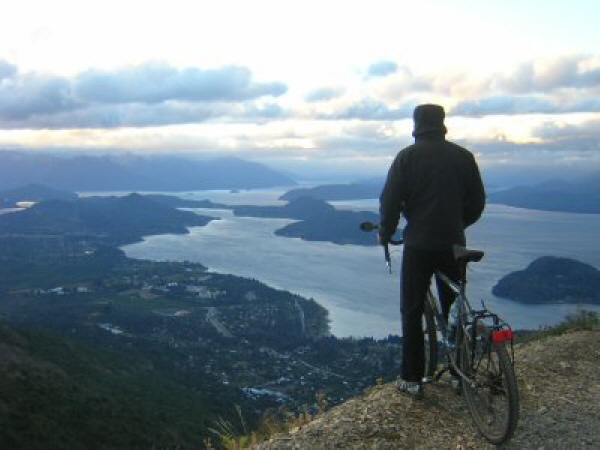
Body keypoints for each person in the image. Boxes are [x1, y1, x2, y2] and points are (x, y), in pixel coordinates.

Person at [379, 103, 486, 398]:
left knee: (412, 310)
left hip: (419, 245)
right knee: (456, 309)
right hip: (454, 243)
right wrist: (457, 223)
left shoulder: (407, 158)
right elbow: (477, 202)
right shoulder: (463, 157)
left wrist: (385, 232)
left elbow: (389, 202)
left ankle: (412, 378)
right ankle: (458, 374)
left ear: (416, 125)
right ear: (442, 123)